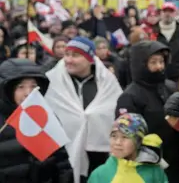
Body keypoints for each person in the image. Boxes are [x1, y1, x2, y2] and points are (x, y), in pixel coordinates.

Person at [44, 36, 123, 183]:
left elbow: (116, 112)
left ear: (90, 59)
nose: (68, 60)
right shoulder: (52, 82)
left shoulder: (106, 82)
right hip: (63, 156)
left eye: (75, 55)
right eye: (67, 54)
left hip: (98, 155)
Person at [115, 40, 179, 183]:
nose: (159, 67)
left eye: (161, 61)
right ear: (141, 64)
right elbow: (127, 137)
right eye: (153, 62)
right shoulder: (129, 97)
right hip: (149, 167)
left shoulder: (170, 87)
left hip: (176, 161)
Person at [0, 58, 73, 182]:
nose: (28, 93)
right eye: (20, 87)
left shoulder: (46, 118)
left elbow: (63, 165)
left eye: (33, 86)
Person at [88, 113, 168, 183]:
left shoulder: (154, 172)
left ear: (138, 141)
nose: (118, 142)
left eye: (125, 137)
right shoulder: (100, 174)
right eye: (114, 136)